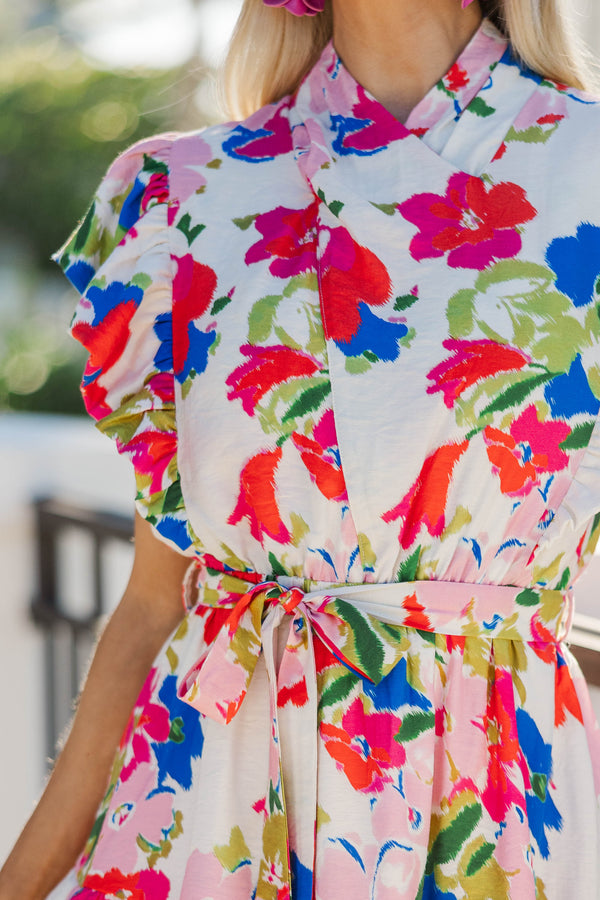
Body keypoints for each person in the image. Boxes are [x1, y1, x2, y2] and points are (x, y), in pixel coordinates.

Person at [2, 0, 600, 896]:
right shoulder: (183, 195)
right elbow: (153, 608)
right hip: (210, 813)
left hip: (485, 813)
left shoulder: (586, 166)